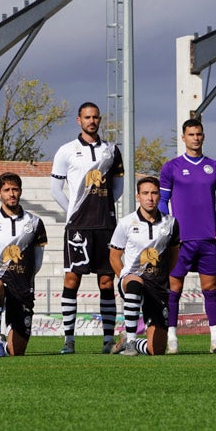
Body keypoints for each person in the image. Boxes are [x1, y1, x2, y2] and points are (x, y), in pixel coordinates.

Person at [50, 101, 124, 354]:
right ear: (78, 121)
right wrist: (74, 211)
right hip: (78, 227)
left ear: (100, 120)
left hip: (106, 226)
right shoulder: (66, 151)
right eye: (87, 117)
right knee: (72, 280)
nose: (92, 121)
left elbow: (118, 188)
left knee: (106, 281)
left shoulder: (112, 150)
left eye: (95, 117)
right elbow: (55, 190)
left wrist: (103, 209)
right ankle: (69, 339)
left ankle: (107, 340)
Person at [158, 118, 216, 354]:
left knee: (210, 290)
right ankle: (172, 340)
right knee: (173, 291)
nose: (195, 138)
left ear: (203, 136)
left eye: (199, 134)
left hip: (207, 239)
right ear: (183, 137)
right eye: (191, 134)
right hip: (180, 241)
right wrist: (167, 229)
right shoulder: (172, 167)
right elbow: (162, 201)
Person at [0, 173, 47, 357]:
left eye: (15, 189)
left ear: (20, 191)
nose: (11, 194)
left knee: (17, 351)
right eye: (7, 190)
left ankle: (4, 347)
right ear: (0, 193)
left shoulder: (35, 222)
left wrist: (24, 278)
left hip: (22, 287)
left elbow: (37, 262)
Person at [109, 176, 180, 357]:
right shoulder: (126, 223)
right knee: (134, 283)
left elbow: (173, 255)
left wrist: (162, 276)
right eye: (145, 193)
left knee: (156, 350)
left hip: (157, 286)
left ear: (160, 196)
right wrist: (124, 277)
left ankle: (128, 342)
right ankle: (131, 341)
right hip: (133, 280)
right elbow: (114, 257)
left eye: (154, 193)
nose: (150, 198)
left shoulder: (171, 223)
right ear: (138, 196)